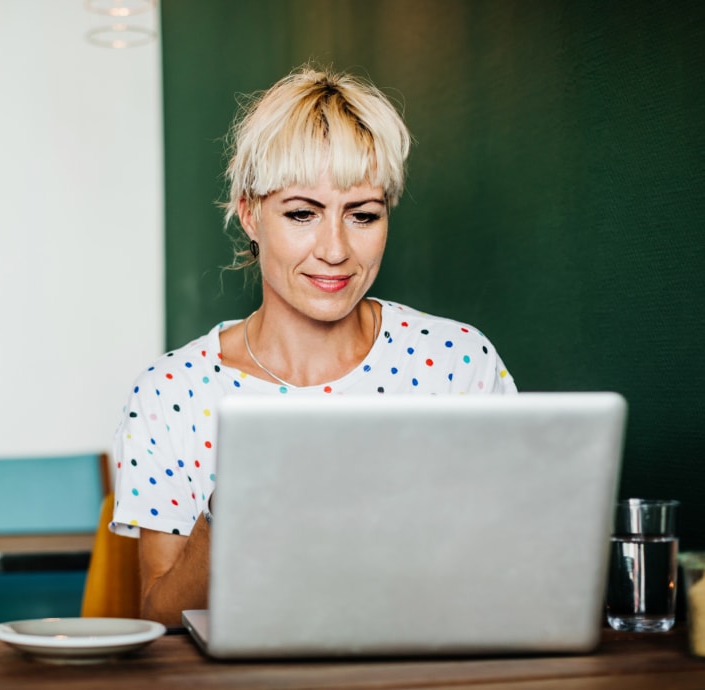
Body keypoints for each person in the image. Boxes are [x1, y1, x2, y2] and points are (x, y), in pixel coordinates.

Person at [111, 65, 517, 625]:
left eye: (363, 215)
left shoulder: (457, 363)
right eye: (302, 213)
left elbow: (513, 569)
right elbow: (160, 617)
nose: (335, 249)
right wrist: (233, 500)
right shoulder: (170, 393)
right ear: (250, 214)